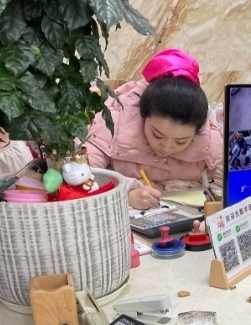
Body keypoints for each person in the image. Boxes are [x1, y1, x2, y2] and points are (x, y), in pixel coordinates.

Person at [85, 48, 223, 210]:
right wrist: (126, 194)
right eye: (157, 135)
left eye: (181, 142)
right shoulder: (111, 126)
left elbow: (224, 183)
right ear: (142, 116)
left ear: (197, 132)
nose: (166, 147)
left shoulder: (209, 142)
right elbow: (83, 175)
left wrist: (168, 187)